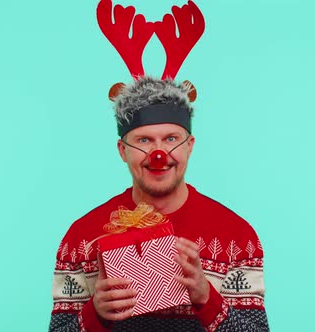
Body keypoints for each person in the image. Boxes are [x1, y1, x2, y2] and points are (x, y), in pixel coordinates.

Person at [48, 77, 269, 331]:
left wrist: (206, 298)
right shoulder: (82, 238)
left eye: (171, 139)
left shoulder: (236, 237)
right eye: (144, 140)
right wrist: (95, 313)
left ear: (190, 146)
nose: (159, 154)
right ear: (122, 150)